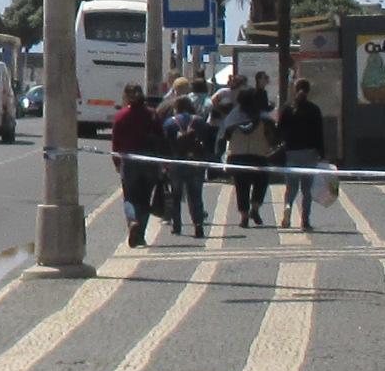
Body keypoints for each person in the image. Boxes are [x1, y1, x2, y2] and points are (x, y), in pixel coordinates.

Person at [108, 83, 166, 248]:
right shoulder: (152, 114)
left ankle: (132, 221)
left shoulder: (121, 116)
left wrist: (117, 162)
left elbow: (116, 143)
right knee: (145, 199)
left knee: (130, 198)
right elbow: (161, 137)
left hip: (130, 161)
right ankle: (140, 235)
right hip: (150, 161)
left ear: (126, 96)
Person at [158, 85, 211, 239]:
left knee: (176, 195)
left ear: (176, 108)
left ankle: (177, 225)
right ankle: (198, 225)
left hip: (176, 162)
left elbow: (165, 145)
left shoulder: (169, 123)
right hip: (196, 162)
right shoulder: (200, 122)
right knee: (196, 195)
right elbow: (208, 142)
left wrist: (164, 164)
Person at [222, 82, 278, 227]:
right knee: (261, 183)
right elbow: (273, 137)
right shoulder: (264, 119)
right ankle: (255, 208)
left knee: (241, 187)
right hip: (258, 155)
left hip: (237, 155)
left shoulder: (233, 116)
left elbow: (226, 136)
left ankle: (244, 216)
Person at [278, 83, 329, 231]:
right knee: (307, 189)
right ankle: (305, 220)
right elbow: (319, 133)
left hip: (292, 152)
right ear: (309, 91)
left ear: (294, 90)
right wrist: (322, 153)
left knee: (291, 187)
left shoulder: (288, 109)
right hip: (310, 153)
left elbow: (280, 129)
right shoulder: (314, 109)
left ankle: (288, 207)